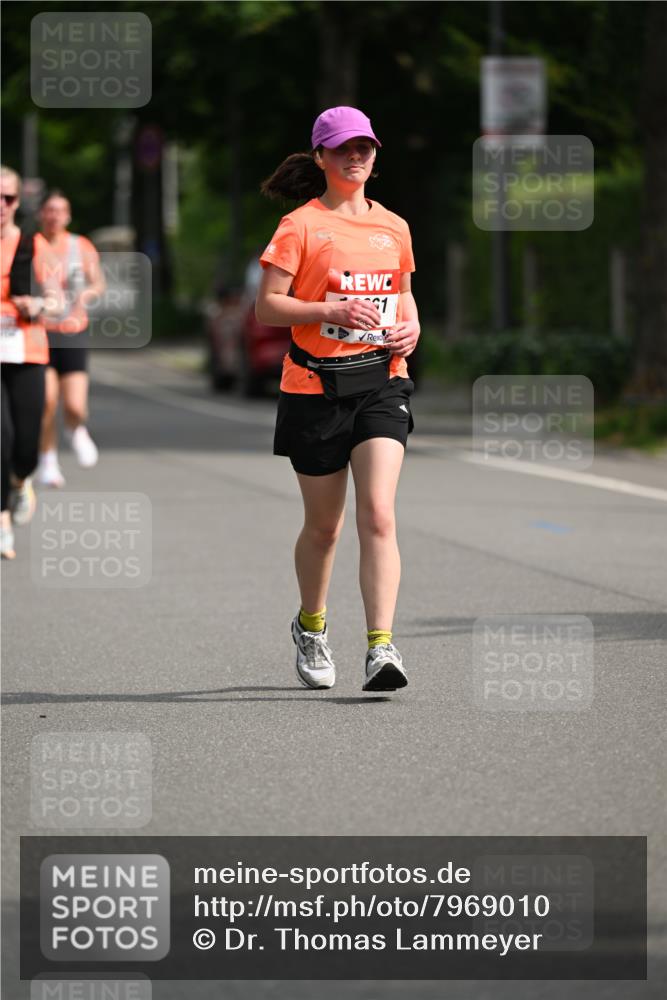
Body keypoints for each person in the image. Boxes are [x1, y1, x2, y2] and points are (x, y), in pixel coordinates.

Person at [255, 106, 420, 692]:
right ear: (322, 156)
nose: (357, 156)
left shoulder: (394, 226)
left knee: (378, 514)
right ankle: (312, 626)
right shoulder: (300, 226)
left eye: (366, 147)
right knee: (325, 527)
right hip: (314, 387)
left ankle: (381, 648)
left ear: (376, 158)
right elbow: (268, 306)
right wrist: (328, 309)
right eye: (344, 147)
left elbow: (403, 295)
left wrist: (412, 330)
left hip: (382, 380)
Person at [0, 166, 58, 559]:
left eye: (7, 198)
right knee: (1, 437)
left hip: (26, 349)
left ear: (18, 202)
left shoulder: (33, 245)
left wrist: (38, 303)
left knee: (25, 446)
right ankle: (2, 519)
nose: (0, 206)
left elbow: (55, 297)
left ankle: (21, 481)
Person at [34, 190, 105, 487]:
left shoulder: (81, 245)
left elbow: (98, 282)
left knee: (74, 405)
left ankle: (75, 429)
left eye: (60, 210)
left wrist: (88, 294)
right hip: (40, 333)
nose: (54, 216)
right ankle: (47, 460)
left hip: (74, 332)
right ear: (41, 214)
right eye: (49, 210)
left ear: (68, 215)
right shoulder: (31, 245)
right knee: (47, 402)